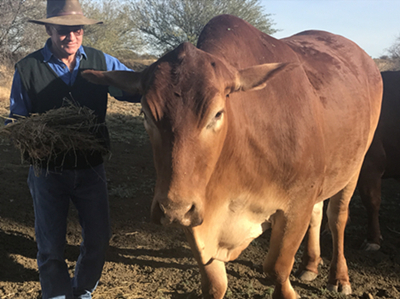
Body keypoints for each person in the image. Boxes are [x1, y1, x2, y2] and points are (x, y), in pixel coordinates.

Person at [6, 0, 140, 298]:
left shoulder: (100, 61)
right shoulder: (28, 68)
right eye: (63, 31)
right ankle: (55, 294)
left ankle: (82, 292)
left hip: (91, 167)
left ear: (83, 30)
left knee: (98, 239)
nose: (70, 38)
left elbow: (133, 87)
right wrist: (32, 139)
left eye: (77, 30)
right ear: (50, 29)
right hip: (47, 171)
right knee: (50, 244)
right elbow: (16, 119)